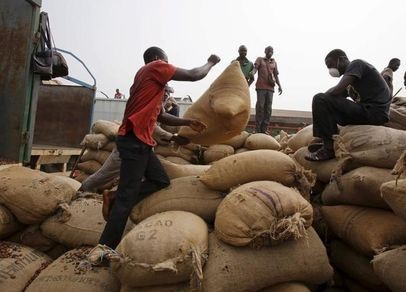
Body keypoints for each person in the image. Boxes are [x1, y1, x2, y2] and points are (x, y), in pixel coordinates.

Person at [87, 47, 220, 265]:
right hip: (134, 142)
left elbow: (162, 116)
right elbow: (195, 75)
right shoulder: (155, 67)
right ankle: (103, 250)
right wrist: (211, 62)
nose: (169, 71)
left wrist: (187, 122)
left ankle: (113, 196)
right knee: (126, 199)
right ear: (159, 60)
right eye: (168, 63)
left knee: (160, 180)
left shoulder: (146, 84)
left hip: (142, 144)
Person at [305, 49, 391, 162]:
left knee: (320, 99)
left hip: (374, 112)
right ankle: (329, 140)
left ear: (343, 59)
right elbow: (335, 96)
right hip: (367, 112)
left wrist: (320, 100)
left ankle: (328, 149)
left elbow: (336, 90)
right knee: (324, 102)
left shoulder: (357, 64)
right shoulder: (350, 84)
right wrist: (320, 106)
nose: (331, 70)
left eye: (331, 65)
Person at [251, 46, 283, 134]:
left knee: (268, 109)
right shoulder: (260, 59)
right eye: (268, 50)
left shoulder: (274, 62)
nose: (270, 52)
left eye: (271, 51)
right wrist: (252, 74)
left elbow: (276, 75)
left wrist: (279, 85)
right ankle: (258, 129)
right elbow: (255, 69)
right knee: (260, 107)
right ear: (265, 51)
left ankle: (264, 129)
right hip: (261, 87)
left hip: (270, 88)